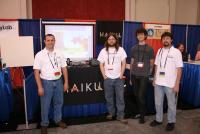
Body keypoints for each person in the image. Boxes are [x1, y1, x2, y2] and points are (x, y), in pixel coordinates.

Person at [33, 34, 68, 134]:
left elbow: (64, 68)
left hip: (59, 81)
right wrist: (40, 87)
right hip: (46, 83)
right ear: (44, 41)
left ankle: (58, 120)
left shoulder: (59, 53)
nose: (50, 42)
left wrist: (66, 82)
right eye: (48, 40)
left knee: (58, 103)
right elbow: (36, 71)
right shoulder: (39, 55)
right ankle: (44, 124)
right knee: (45, 105)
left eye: (52, 40)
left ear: (55, 41)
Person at [150, 32, 183, 131]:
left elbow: (179, 68)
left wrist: (177, 84)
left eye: (167, 38)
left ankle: (171, 121)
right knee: (158, 103)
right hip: (159, 83)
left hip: (171, 84)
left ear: (171, 40)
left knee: (171, 104)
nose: (165, 40)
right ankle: (158, 119)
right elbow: (156, 65)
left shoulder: (176, 52)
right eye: (164, 38)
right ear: (161, 40)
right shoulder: (159, 50)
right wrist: (155, 78)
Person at [97, 33, 128, 124]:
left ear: (116, 40)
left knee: (120, 98)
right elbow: (101, 64)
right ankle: (111, 113)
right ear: (107, 40)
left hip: (119, 78)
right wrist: (104, 76)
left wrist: (121, 75)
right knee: (109, 97)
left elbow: (124, 63)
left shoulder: (121, 50)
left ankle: (120, 116)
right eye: (109, 39)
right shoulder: (103, 51)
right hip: (108, 78)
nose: (111, 40)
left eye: (113, 39)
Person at [130, 28, 154, 124]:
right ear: (137, 36)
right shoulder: (133, 48)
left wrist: (149, 74)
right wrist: (131, 76)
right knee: (136, 95)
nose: (140, 36)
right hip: (134, 75)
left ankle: (142, 116)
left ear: (145, 36)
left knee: (141, 96)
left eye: (142, 34)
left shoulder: (150, 49)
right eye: (138, 35)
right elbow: (132, 62)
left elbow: (152, 63)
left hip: (144, 76)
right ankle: (141, 112)